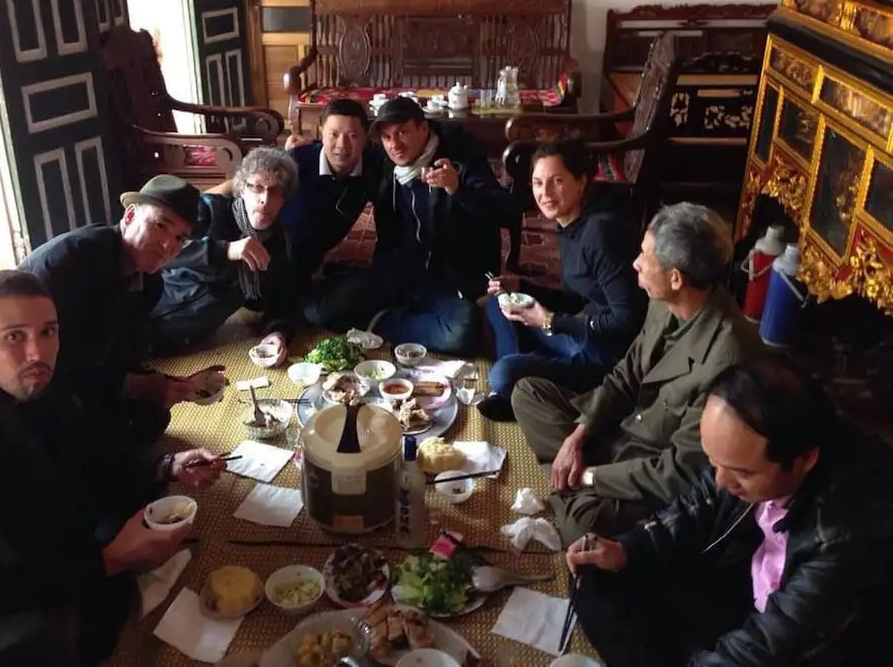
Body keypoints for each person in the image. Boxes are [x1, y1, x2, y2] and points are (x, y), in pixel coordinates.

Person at [0, 270, 223, 667]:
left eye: (48, 332)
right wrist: (109, 560)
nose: (37, 352)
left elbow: (86, 449)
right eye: (14, 336)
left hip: (10, 513)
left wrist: (167, 465)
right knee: (54, 636)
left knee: (140, 495)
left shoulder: (32, 372)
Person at [566, 358, 893, 667]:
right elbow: (696, 506)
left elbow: (770, 643)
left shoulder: (845, 535)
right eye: (714, 462)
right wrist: (627, 548)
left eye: (742, 472)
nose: (721, 480)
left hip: (794, 643)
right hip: (740, 575)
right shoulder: (749, 447)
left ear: (805, 460)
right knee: (596, 573)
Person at [512, 202, 764, 544]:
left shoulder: (727, 360)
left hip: (647, 466)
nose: (635, 263)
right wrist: (577, 437)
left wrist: (588, 476)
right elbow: (625, 375)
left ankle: (571, 488)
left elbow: (677, 473)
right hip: (620, 430)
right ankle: (570, 482)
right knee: (527, 393)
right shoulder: (663, 301)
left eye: (645, 256)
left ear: (676, 278)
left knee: (584, 526)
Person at [304, 96, 521, 355]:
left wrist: (458, 189)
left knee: (462, 332)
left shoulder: (462, 159)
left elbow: (507, 211)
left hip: (448, 280)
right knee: (319, 311)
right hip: (398, 271)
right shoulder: (385, 162)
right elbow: (340, 154)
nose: (395, 144)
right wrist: (305, 150)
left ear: (423, 128)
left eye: (403, 133)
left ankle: (381, 322)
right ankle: (398, 317)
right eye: (387, 137)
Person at [20, 174, 201, 445]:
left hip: (86, 379)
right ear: (130, 216)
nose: (168, 246)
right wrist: (131, 385)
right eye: (161, 226)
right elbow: (50, 362)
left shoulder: (149, 282)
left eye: (179, 238)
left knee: (152, 416)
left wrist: (155, 381)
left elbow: (120, 353)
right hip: (33, 384)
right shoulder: (72, 263)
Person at [479, 138, 646, 422]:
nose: (545, 193)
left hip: (605, 357)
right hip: (581, 335)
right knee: (499, 304)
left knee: (502, 374)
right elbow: (573, 299)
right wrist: (522, 286)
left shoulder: (600, 233)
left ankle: (527, 386)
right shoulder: (569, 224)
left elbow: (628, 321)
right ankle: (526, 384)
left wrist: (549, 321)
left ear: (581, 182)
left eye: (557, 181)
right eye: (537, 183)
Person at [149, 147, 300, 358]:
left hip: (188, 343)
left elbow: (282, 298)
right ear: (242, 189)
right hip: (145, 315)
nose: (265, 199)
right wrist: (224, 250)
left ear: (284, 199)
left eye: (274, 191)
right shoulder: (210, 211)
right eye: (257, 187)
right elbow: (158, 250)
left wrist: (278, 332)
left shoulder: (279, 242)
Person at [280, 99, 386, 284]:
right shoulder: (295, 161)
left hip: (318, 253)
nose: (342, 145)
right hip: (277, 247)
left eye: (353, 135)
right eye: (333, 134)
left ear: (365, 137)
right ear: (322, 133)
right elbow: (247, 186)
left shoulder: (375, 165)